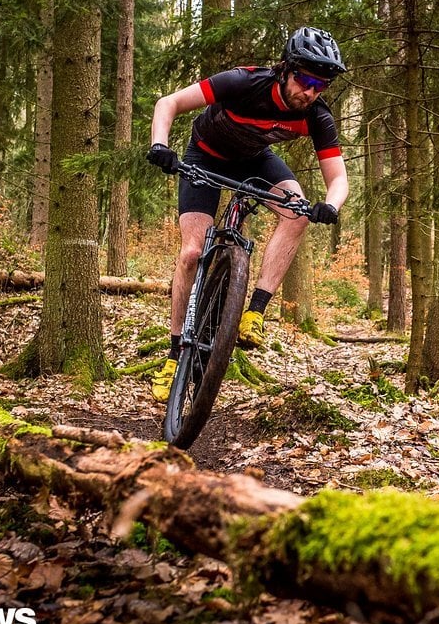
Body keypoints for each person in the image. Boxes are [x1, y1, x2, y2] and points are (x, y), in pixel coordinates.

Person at [146, 27, 349, 403]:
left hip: (256, 163)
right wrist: (160, 144)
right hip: (204, 157)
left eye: (320, 86)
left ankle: (254, 312)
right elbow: (167, 103)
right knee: (192, 252)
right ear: (287, 69)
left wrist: (331, 206)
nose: (310, 91)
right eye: (305, 80)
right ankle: (175, 354)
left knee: (298, 214)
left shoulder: (317, 117)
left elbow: (338, 179)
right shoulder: (243, 82)